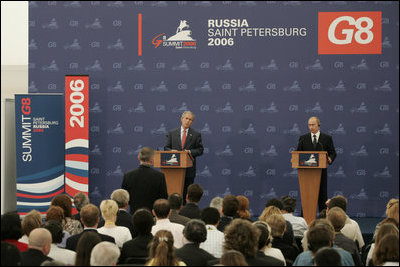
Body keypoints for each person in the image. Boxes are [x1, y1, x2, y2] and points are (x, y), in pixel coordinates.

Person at [296, 116, 336, 212]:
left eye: (313, 125)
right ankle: (305, 219)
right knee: (307, 197)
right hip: (307, 173)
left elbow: (333, 152)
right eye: (309, 125)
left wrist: (330, 158)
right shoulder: (303, 138)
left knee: (322, 196)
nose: (311, 127)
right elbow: (298, 154)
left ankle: (323, 218)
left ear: (319, 124)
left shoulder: (327, 138)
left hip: (321, 172)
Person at [164, 111, 204, 203]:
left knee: (186, 195)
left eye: (190, 120)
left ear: (192, 122)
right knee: (173, 195)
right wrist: (171, 151)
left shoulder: (196, 134)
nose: (187, 121)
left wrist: (189, 152)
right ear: (181, 119)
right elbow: (166, 148)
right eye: (186, 118)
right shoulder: (172, 133)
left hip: (189, 170)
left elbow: (200, 150)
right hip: (173, 170)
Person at [122, 146, 168, 213]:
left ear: (138, 157)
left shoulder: (128, 175)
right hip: (152, 217)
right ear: (152, 160)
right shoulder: (159, 176)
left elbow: (124, 199)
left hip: (134, 216)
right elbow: (163, 199)